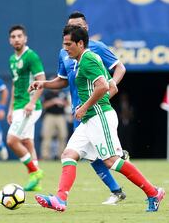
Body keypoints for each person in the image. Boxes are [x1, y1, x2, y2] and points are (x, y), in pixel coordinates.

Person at [32, 25, 165, 212]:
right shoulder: (80, 60)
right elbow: (110, 85)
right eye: (64, 44)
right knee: (69, 154)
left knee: (111, 161)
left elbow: (103, 86)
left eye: (68, 44)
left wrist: (84, 107)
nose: (65, 48)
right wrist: (44, 84)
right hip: (89, 119)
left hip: (99, 116)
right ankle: (60, 199)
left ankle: (153, 193)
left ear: (80, 43)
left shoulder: (88, 59)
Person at [30, 11, 128, 205]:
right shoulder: (65, 52)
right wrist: (44, 84)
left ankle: (138, 184)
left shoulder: (97, 48)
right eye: (71, 26)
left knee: (103, 158)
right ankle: (116, 190)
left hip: (95, 109)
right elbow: (63, 81)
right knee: (87, 156)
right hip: (78, 112)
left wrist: (111, 88)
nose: (75, 29)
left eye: (78, 26)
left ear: (86, 28)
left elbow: (120, 68)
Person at [7, 25, 45, 191]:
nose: (16, 39)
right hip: (18, 106)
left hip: (30, 107)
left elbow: (41, 80)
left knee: (12, 140)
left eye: (19, 36)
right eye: (13, 36)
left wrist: (31, 102)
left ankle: (35, 172)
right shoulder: (12, 59)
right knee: (27, 142)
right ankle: (36, 182)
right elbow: (15, 85)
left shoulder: (31, 56)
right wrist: (10, 108)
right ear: (10, 40)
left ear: (25, 38)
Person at [41, 86, 68, 160]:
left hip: (60, 116)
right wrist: (53, 101)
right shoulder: (48, 94)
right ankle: (45, 156)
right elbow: (44, 105)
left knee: (63, 135)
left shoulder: (62, 93)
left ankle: (61, 156)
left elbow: (67, 104)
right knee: (46, 136)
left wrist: (62, 102)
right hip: (50, 116)